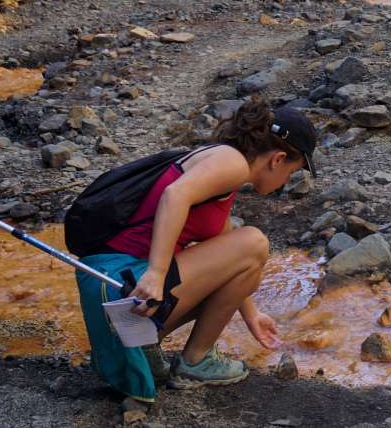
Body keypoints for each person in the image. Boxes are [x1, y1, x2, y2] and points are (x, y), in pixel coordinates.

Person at [74, 98, 317, 403]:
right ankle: (196, 362)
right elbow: (174, 196)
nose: (286, 182)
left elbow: (235, 265)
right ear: (278, 159)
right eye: (291, 173)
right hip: (122, 290)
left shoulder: (220, 165)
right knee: (255, 242)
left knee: (248, 259)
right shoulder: (232, 164)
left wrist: (253, 316)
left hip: (118, 295)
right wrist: (156, 273)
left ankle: (147, 347)